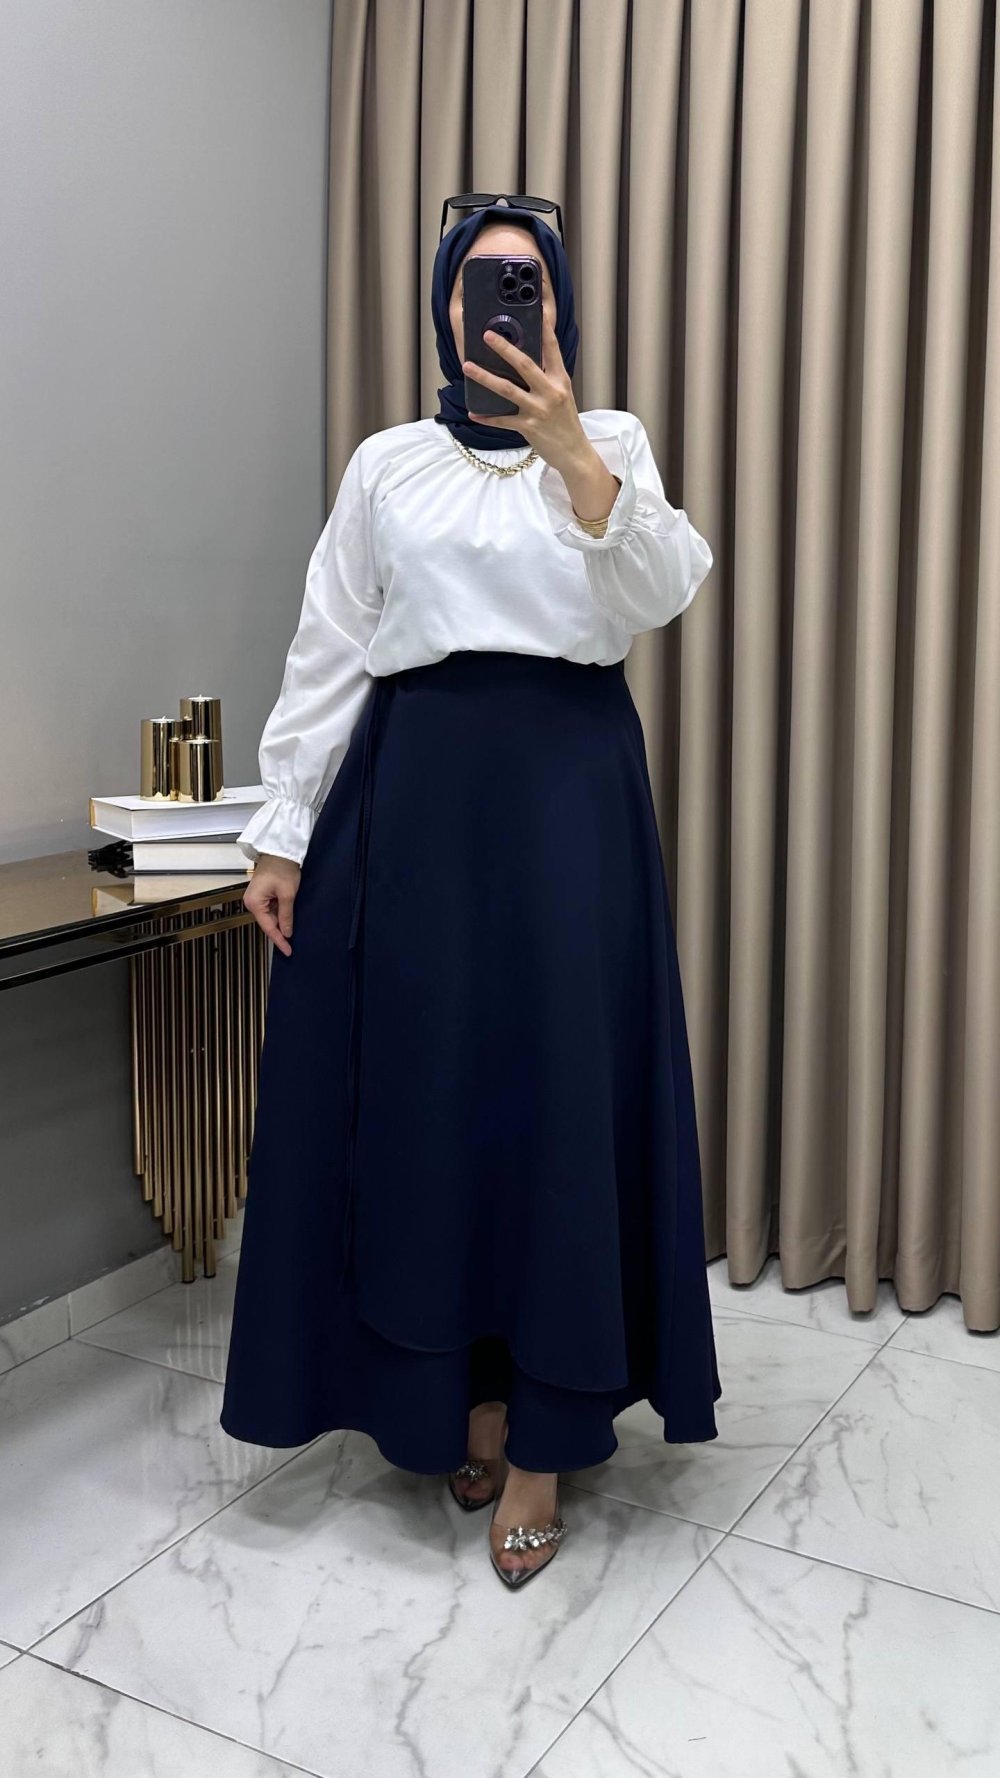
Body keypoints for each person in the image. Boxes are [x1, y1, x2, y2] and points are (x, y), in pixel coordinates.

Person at [220, 196, 722, 1589]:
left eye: (526, 279)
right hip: (419, 805)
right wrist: (283, 831)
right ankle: (471, 1401)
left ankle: (548, 1436)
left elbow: (664, 591)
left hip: (567, 802)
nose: (503, 299)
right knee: (435, 1098)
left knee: (557, 1098)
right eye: (479, 281)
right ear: (445, 308)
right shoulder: (388, 464)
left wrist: (574, 456)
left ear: (556, 304)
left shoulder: (609, 441)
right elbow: (333, 642)